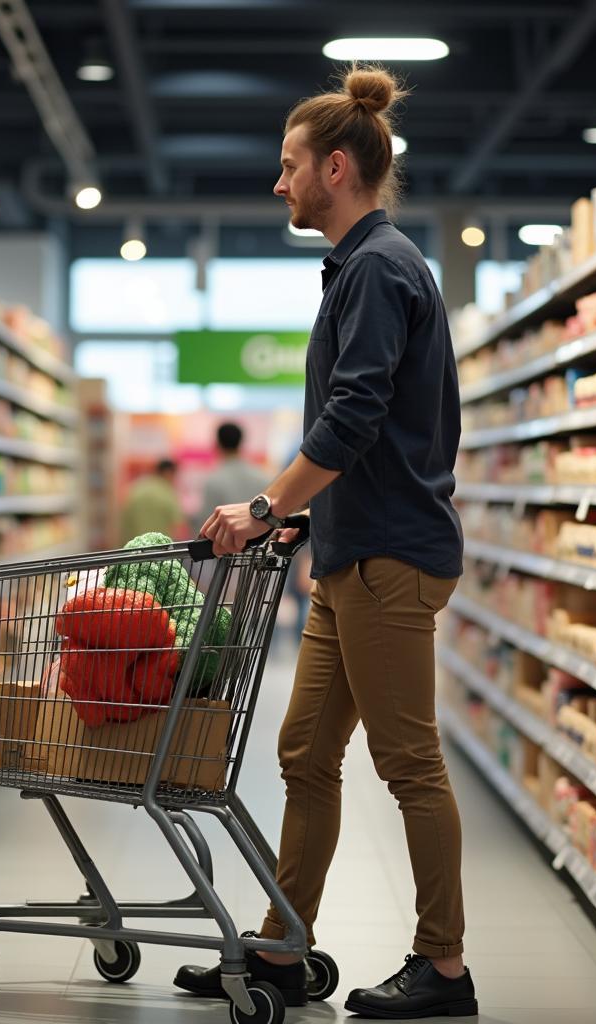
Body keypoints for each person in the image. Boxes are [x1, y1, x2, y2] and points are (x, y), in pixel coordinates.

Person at [174, 64, 474, 1019]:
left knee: (409, 764)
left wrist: (263, 509)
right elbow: (371, 438)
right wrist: (307, 518)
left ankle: (446, 967)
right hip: (349, 555)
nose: (279, 182)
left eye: (289, 165)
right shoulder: (361, 267)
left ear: (335, 168)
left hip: (390, 562)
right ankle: (278, 945)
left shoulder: (380, 269)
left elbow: (353, 419)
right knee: (304, 754)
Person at [199, 422, 270, 528]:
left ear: (217, 444)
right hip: (260, 541)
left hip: (226, 542)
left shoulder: (213, 481)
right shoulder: (263, 477)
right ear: (241, 442)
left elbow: (206, 523)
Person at [119, 458, 186, 542]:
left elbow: (125, 522)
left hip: (134, 548)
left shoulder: (135, 489)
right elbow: (178, 526)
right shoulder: (167, 492)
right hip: (159, 549)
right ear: (168, 473)